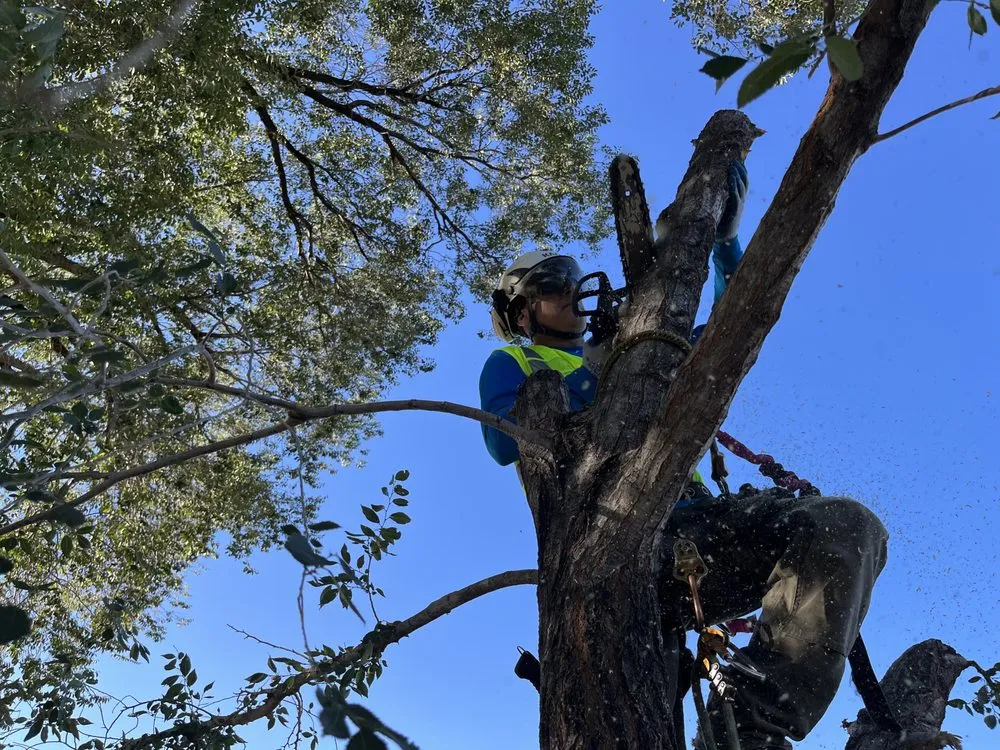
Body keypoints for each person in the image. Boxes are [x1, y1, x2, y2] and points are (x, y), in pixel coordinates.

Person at [477, 161, 889, 750]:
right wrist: (606, 372)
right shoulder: (517, 365)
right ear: (521, 313)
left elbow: (736, 319)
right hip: (612, 534)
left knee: (845, 524)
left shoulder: (646, 348)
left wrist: (724, 246)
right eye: (550, 284)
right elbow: (502, 441)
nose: (569, 291)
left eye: (569, 276)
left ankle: (751, 728)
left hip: (699, 522)